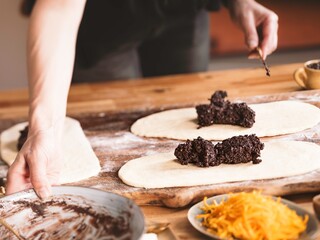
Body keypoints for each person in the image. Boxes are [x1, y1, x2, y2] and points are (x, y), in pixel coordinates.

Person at [6, 0, 278, 199]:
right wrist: (44, 130)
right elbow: (58, 8)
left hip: (184, 13)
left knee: (185, 120)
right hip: (104, 22)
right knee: (113, 123)